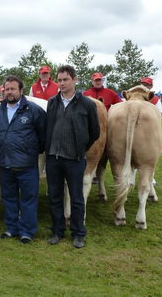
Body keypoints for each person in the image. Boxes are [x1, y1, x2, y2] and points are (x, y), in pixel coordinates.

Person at [45, 65, 100, 248]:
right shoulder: (52, 102)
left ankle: (78, 233)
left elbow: (94, 132)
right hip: (54, 157)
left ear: (74, 80)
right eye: (59, 80)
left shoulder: (87, 104)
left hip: (75, 158)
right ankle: (57, 231)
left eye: (65, 79)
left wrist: (81, 148)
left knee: (76, 198)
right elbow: (48, 127)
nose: (61, 83)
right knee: (54, 195)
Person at [0, 76, 46, 244]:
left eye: (13, 89)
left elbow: (43, 135)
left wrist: (32, 151)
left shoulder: (33, 110)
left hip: (27, 164)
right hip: (6, 163)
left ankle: (27, 231)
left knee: (28, 199)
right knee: (8, 198)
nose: (9, 92)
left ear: (21, 91)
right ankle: (12, 228)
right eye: (7, 89)